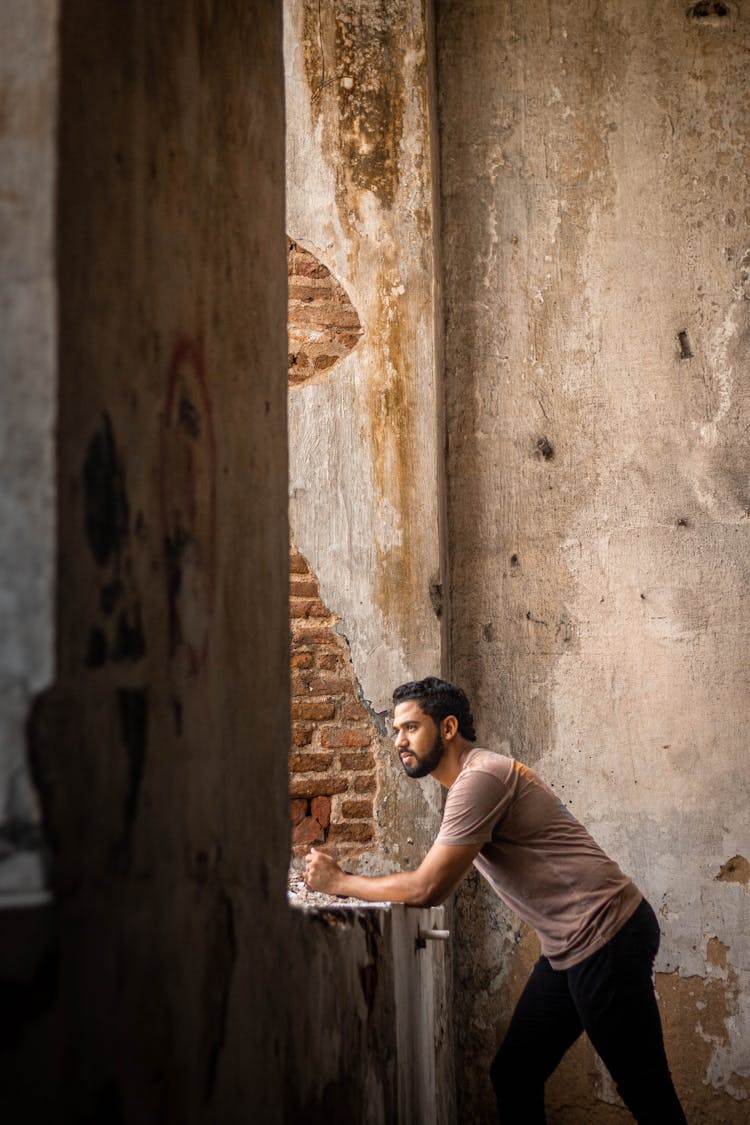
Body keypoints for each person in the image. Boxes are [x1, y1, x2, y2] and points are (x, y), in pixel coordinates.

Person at [304, 676, 686, 1124]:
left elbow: (428, 888)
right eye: (395, 731)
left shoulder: (479, 778)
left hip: (606, 933)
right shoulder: (467, 785)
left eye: (410, 728)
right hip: (571, 945)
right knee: (515, 1074)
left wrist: (338, 882)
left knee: (645, 1089)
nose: (399, 742)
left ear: (448, 728)